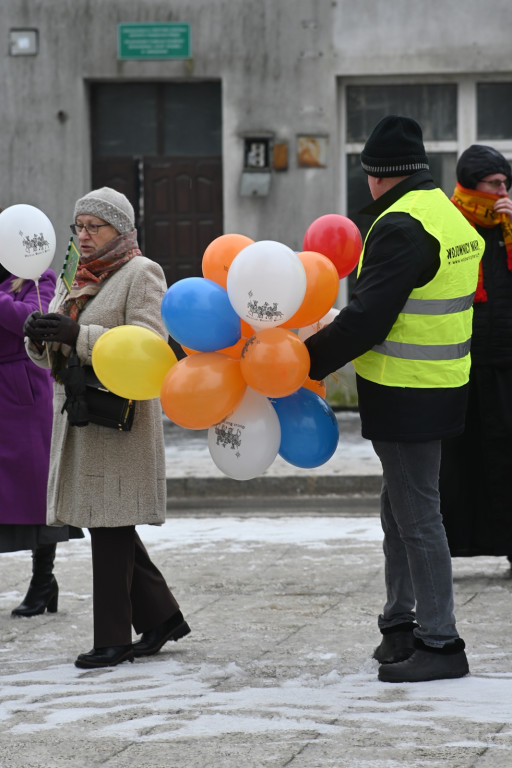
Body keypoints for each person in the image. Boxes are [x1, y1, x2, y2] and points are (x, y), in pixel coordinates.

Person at [304, 115, 485, 683]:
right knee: (399, 511)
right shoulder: (444, 214)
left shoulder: (401, 225)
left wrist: (304, 363)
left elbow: (367, 319)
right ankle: (400, 623)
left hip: (408, 394)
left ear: (376, 176)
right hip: (440, 387)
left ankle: (440, 641)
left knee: (417, 519)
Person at [24, 187, 190, 669]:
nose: (84, 235)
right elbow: (53, 351)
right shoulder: (77, 276)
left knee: (111, 522)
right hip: (81, 415)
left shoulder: (143, 273)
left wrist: (80, 335)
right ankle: (161, 618)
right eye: (78, 227)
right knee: (106, 520)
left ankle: (112, 638)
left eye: (94, 227)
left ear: (121, 229)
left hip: (120, 418)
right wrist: (41, 336)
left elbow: (150, 345)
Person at [0, 230, 83, 618]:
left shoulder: (39, 278)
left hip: (24, 393)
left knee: (35, 490)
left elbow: (30, 320)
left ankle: (43, 581)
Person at [439, 145, 512, 560]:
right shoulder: (450, 224)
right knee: (460, 465)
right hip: (461, 362)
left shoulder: (508, 226)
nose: (502, 191)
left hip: (505, 362)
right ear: (472, 186)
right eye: (494, 183)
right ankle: (456, 546)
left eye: (506, 183)